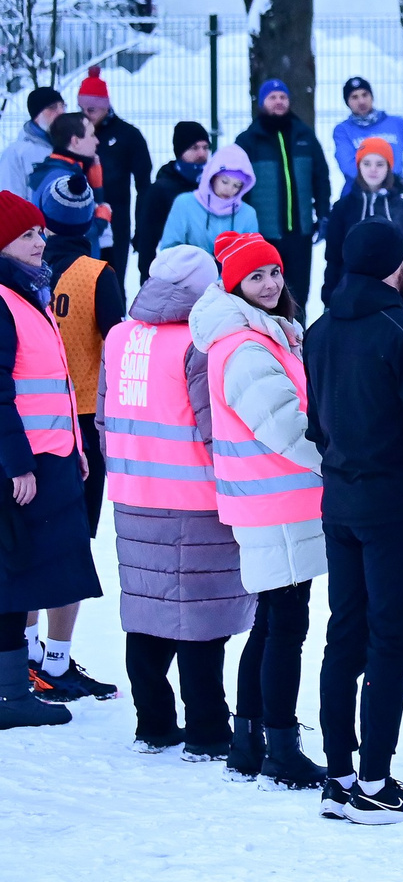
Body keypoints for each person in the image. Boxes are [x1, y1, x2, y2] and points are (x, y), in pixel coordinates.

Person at [304, 217, 403, 821]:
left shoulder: (317, 330)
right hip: (395, 510)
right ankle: (374, 781)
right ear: (396, 264)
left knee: (345, 634)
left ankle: (339, 775)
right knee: (391, 643)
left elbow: (315, 425)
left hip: (338, 503)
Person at [193, 230, 328, 787]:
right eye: (256, 277)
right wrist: (339, 461)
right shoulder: (246, 348)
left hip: (272, 497)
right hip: (277, 499)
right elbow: (286, 429)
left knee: (271, 621)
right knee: (285, 627)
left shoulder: (264, 336)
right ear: (235, 286)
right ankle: (281, 746)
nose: (270, 284)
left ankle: (249, 741)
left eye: (274, 272)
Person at [104, 245, 249, 754]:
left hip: (132, 493)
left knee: (147, 609)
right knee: (200, 619)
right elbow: (215, 430)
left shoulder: (120, 337)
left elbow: (104, 415)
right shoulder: (198, 344)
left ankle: (154, 724)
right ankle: (209, 731)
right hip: (195, 498)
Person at [0, 189, 108, 727]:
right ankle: (13, 692)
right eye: (27, 234)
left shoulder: (27, 292)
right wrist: (17, 462)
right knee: (17, 573)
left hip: (55, 454)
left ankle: (26, 681)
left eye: (41, 231)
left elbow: (52, 384)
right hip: (27, 466)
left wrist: (76, 446)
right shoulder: (3, 299)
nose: (40, 241)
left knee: (42, 571)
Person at [41, 170, 122, 538]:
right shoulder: (97, 274)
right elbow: (116, 342)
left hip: (33, 409)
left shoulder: (23, 270)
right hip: (86, 409)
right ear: (89, 220)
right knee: (79, 522)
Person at [239, 79, 331, 306]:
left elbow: (320, 178)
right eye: (272, 97)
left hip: (300, 233)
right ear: (262, 103)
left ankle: (299, 338)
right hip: (264, 236)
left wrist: (323, 214)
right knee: (267, 295)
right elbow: (238, 189)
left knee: (299, 295)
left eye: (283, 97)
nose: (278, 101)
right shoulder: (248, 141)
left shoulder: (305, 137)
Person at [320, 136, 403, 311]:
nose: (373, 169)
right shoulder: (344, 207)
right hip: (350, 297)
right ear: (358, 166)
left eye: (379, 164)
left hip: (392, 298)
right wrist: (329, 298)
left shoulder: (400, 207)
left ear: (389, 167)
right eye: (366, 163)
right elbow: (333, 256)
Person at [75, 73, 153, 281]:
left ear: (106, 106)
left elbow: (144, 185)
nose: (85, 114)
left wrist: (141, 228)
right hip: (79, 218)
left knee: (113, 280)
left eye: (91, 109)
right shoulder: (73, 134)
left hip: (116, 220)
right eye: (81, 109)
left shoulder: (128, 135)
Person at [135, 120, 211, 280]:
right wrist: (148, 279)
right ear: (180, 151)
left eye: (205, 147)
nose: (201, 154)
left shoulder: (214, 184)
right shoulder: (161, 189)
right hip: (177, 272)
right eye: (194, 148)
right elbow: (147, 238)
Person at [30, 112, 110, 258]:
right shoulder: (63, 180)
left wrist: (97, 187)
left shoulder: (56, 171)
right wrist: (101, 221)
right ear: (75, 141)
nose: (97, 141)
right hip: (69, 268)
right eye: (91, 135)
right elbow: (72, 232)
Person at [330, 76, 403, 192]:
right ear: (347, 102)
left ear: (372, 97)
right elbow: (347, 165)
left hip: (392, 196)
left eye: (365, 95)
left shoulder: (397, 124)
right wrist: (386, 180)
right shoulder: (343, 131)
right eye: (354, 97)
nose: (361, 101)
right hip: (357, 196)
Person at [0, 87, 62, 200]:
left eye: (62, 106)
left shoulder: (69, 147)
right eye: (52, 108)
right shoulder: (15, 154)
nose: (60, 112)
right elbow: (10, 202)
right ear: (37, 116)